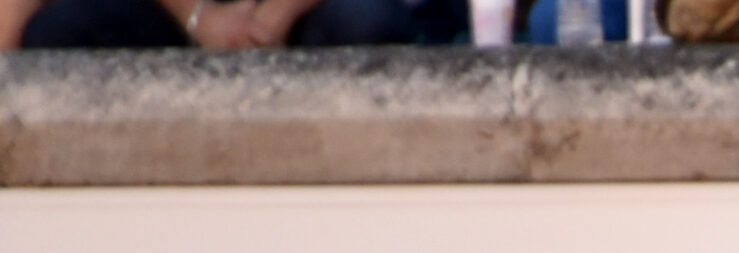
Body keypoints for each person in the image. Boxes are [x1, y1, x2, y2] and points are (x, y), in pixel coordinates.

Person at [3, 0, 446, 46]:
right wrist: (199, 17)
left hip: (302, 15)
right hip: (174, 17)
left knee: (367, 25)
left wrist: (275, 13)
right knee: (61, 30)